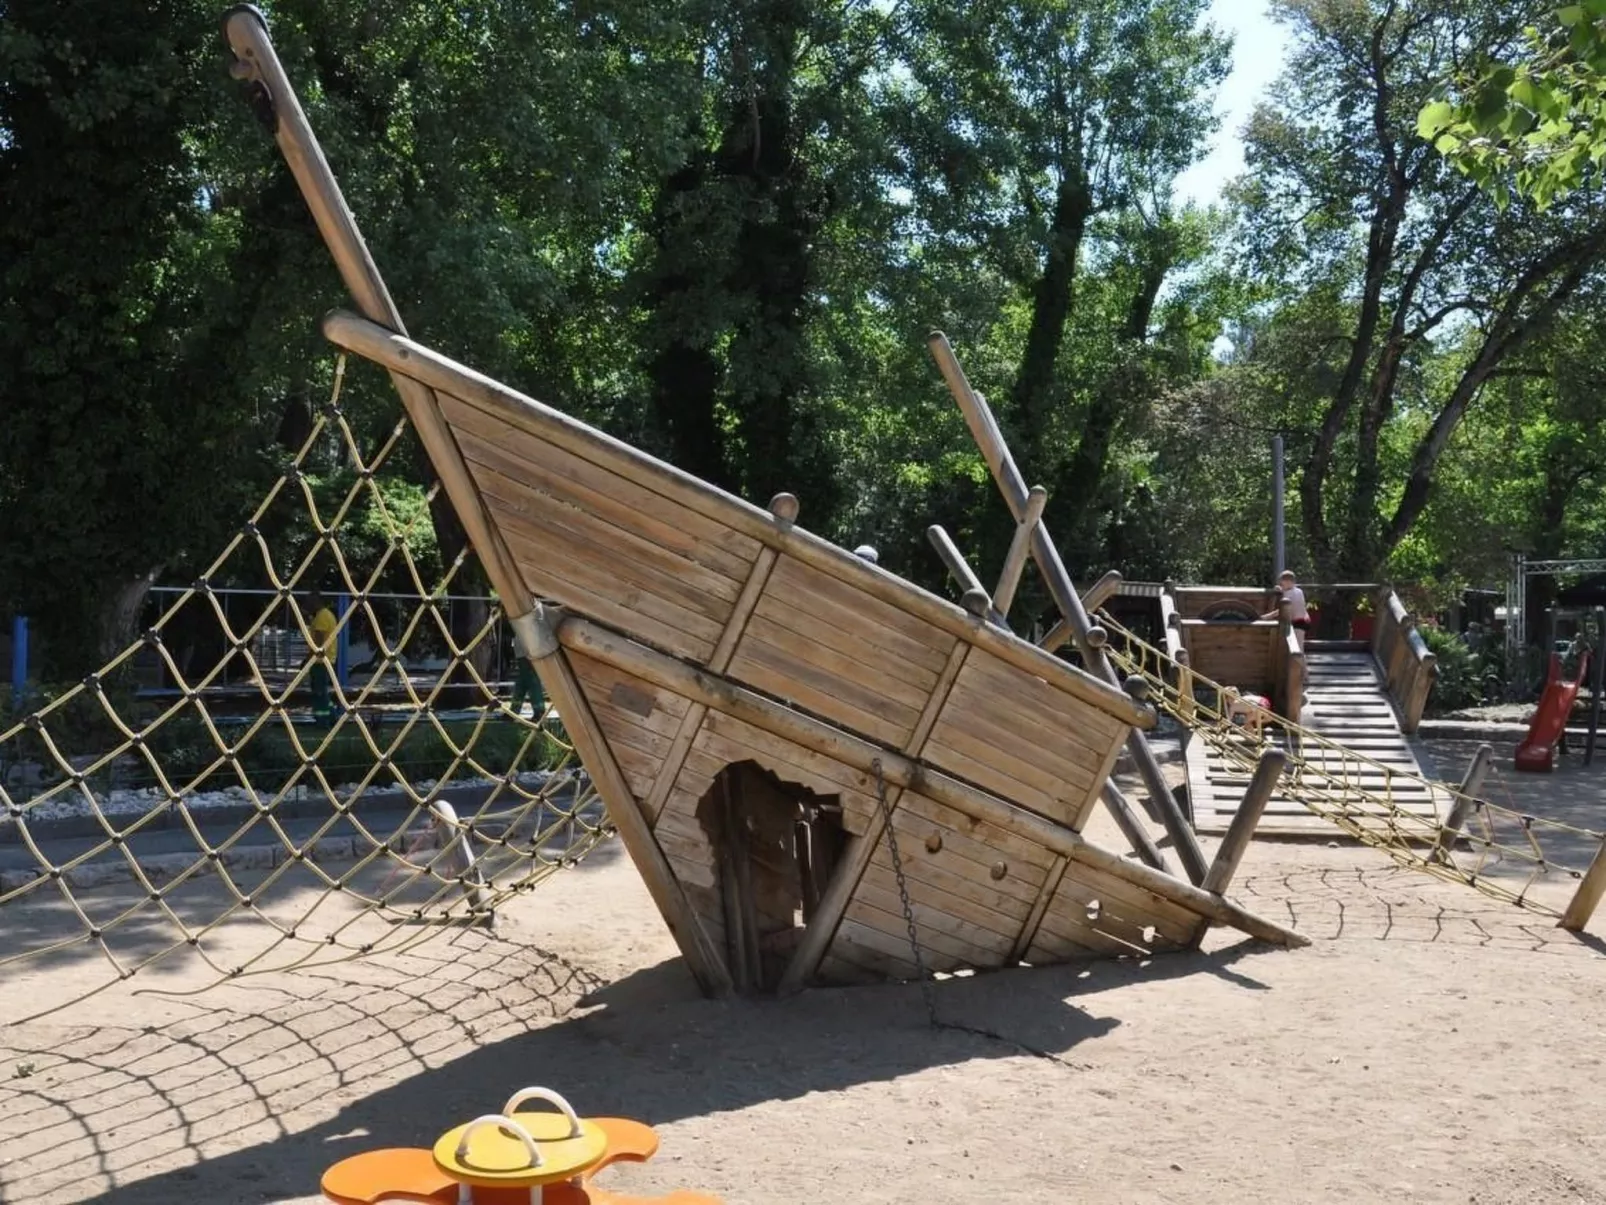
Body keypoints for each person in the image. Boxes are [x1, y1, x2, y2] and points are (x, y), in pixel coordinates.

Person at [305, 589, 338, 721]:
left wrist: (308, 660)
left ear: (316, 601)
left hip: (320, 661)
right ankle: (332, 716)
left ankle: (322, 720)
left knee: (319, 692)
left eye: (309, 602)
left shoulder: (321, 617)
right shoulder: (326, 615)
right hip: (326, 660)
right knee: (322, 691)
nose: (307, 604)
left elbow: (318, 642)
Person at [1262, 570, 1311, 648]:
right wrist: (1281, 590)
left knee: (1297, 648)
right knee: (1298, 646)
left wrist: (1267, 616)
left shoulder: (1289, 594)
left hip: (1298, 622)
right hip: (1303, 620)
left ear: (1288, 582)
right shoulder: (1299, 591)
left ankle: (1298, 660)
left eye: (1282, 583)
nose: (1281, 585)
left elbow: (1282, 610)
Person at [509, 628, 545, 719]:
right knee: (522, 682)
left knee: (532, 681)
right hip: (523, 650)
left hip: (528, 651)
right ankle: (514, 710)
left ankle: (539, 711)